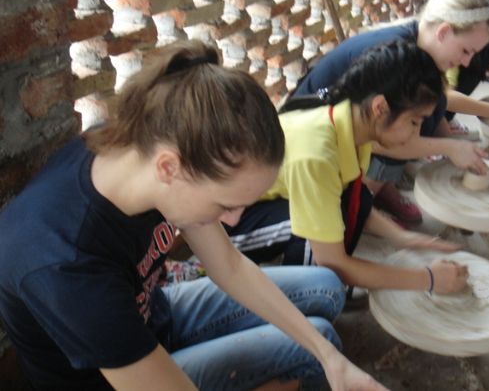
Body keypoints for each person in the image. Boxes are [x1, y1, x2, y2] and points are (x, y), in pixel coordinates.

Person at [0, 41, 386, 391]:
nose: (234, 220)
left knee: (324, 293)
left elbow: (230, 266)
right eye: (224, 205)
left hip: (154, 317)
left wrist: (332, 360)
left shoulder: (148, 146)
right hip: (121, 377)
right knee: (311, 353)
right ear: (170, 169)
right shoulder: (66, 265)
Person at [226, 40, 470, 296]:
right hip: (232, 223)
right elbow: (333, 261)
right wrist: (428, 279)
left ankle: (325, 289)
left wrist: (400, 237)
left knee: (357, 197)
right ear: (380, 107)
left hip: (273, 200)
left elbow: (353, 199)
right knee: (321, 251)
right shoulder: (317, 154)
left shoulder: (351, 116)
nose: (416, 133)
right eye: (414, 121)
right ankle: (304, 303)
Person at [293, 0, 489, 224]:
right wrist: (448, 148)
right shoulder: (396, 55)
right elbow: (380, 140)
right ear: (443, 32)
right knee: (402, 126)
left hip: (348, 127)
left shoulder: (422, 43)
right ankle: (358, 201)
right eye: (466, 50)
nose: (466, 62)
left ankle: (381, 185)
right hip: (309, 139)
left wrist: (453, 143)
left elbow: (442, 100)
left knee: (428, 111)